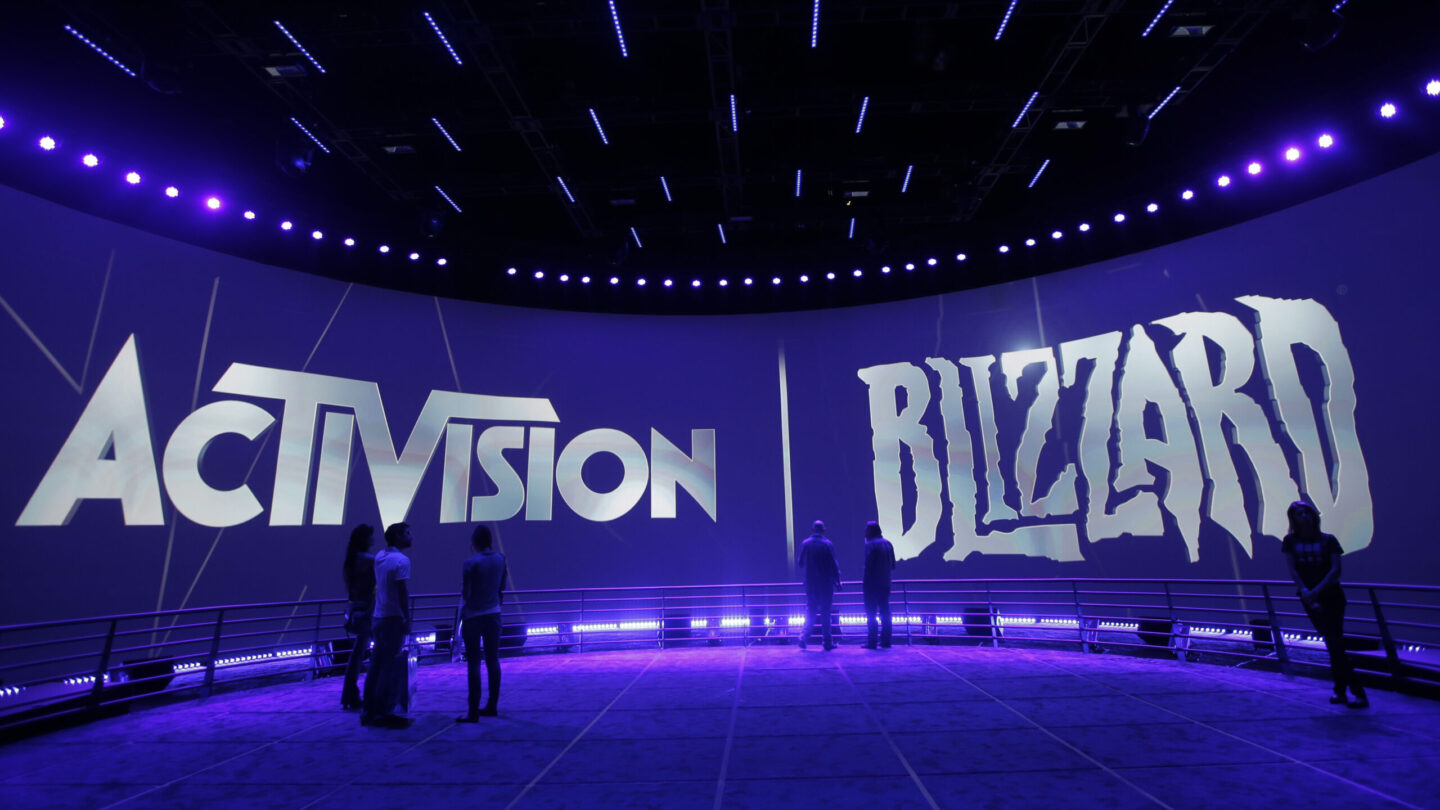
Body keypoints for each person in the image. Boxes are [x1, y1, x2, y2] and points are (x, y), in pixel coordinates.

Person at [1281, 500, 1367, 708]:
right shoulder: (1290, 541)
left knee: (1335, 645)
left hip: (1331, 597)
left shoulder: (1329, 540)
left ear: (1313, 515)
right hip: (1309, 598)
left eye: (1307, 512)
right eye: (1299, 513)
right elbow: (1293, 570)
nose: (1304, 516)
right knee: (1333, 645)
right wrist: (1305, 591)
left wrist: (1314, 592)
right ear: (1293, 519)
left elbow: (1335, 570)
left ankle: (1355, 693)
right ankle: (1342, 692)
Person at [361, 522, 415, 728]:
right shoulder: (402, 560)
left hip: (379, 617)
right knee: (390, 666)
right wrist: (407, 619)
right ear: (398, 536)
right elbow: (402, 592)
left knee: (376, 665)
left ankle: (369, 710)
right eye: (408, 533)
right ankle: (384, 711)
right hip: (393, 618)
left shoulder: (380, 557)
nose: (411, 536)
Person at [457, 524, 508, 721]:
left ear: (474, 542)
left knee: (474, 664)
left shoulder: (471, 563)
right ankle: (492, 705)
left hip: (473, 616)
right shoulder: (501, 559)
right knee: (493, 660)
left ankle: (472, 711)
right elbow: (501, 588)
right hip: (493, 614)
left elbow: (467, 594)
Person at [340, 524, 376, 710]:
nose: (374, 539)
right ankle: (371, 694)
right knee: (377, 653)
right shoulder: (369, 560)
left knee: (357, 653)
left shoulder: (350, 561)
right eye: (371, 536)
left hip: (355, 609)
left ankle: (350, 693)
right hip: (369, 610)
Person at [796, 520, 841, 651]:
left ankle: (803, 637)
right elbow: (834, 564)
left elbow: (800, 563)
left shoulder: (805, 543)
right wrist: (838, 581)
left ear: (812, 530)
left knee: (811, 611)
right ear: (823, 530)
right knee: (826, 613)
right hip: (826, 583)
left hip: (811, 583)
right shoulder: (827, 544)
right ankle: (827, 642)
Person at [862, 521, 896, 650]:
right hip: (885, 583)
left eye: (866, 530)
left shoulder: (871, 545)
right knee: (885, 612)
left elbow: (869, 566)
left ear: (871, 531)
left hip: (872, 584)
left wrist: (865, 583)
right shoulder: (888, 544)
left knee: (871, 613)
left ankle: (872, 642)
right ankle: (886, 640)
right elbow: (893, 565)